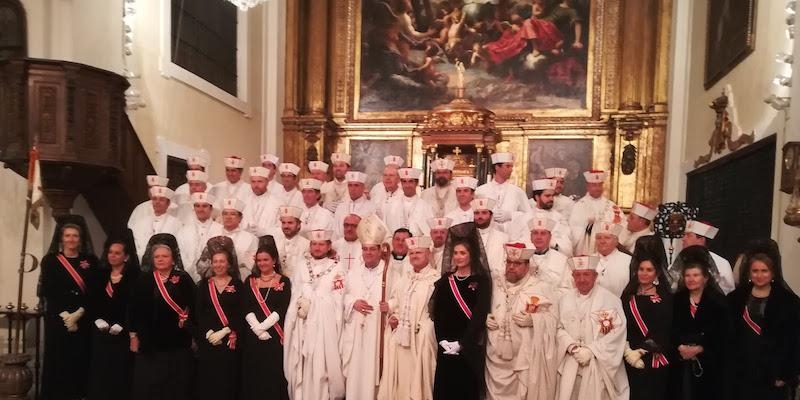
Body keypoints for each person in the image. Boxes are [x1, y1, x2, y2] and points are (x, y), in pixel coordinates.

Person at [485, 244, 559, 400]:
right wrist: (483, 318)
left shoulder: (541, 287)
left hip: (523, 359)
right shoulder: (494, 285)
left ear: (527, 265)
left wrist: (534, 319)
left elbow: (554, 320)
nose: (511, 267)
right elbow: (479, 308)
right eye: (509, 263)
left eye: (517, 264)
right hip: (494, 356)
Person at [430, 222, 493, 400]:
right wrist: (442, 340)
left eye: (463, 253)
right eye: (456, 253)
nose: (458, 257)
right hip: (446, 348)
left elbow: (480, 315)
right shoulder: (445, 281)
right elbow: (438, 315)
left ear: (472, 255)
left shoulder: (482, 281)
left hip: (469, 347)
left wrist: (462, 343)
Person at [129, 234, 196, 400]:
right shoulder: (143, 280)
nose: (160, 259)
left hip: (178, 340)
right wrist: (133, 335)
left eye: (165, 256)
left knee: (176, 383)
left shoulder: (183, 278)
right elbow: (134, 309)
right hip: (150, 340)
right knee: (151, 383)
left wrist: (192, 331)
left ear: (173, 259)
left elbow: (194, 306)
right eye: (157, 256)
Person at [728, 247, 800, 400]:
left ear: (772, 273)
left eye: (764, 271)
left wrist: (786, 373)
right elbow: (727, 336)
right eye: (755, 271)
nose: (759, 275)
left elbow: (794, 340)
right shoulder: (735, 299)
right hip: (741, 371)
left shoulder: (789, 302)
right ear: (749, 273)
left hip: (773, 374)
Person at [40, 215, 99, 400]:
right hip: (58, 319)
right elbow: (49, 290)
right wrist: (66, 315)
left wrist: (80, 313)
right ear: (61, 238)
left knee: (78, 359)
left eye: (75, 236)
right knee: (58, 359)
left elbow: (94, 290)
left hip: (83, 319)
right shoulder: (50, 261)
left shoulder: (90, 262)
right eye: (68, 235)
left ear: (80, 239)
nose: (71, 239)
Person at [283, 229, 346, 400]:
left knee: (321, 366)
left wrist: (315, 300)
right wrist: (301, 301)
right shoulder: (302, 265)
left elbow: (339, 296)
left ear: (328, 246)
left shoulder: (338, 267)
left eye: (321, 244)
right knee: (302, 366)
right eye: (314, 244)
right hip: (302, 324)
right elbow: (295, 291)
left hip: (324, 327)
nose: (317, 247)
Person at [555, 255, 629, 400]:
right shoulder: (564, 299)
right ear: (572, 277)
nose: (582, 279)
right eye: (578, 275)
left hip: (597, 361)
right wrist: (572, 347)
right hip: (571, 358)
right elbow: (558, 328)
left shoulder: (608, 300)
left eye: (586, 274)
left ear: (595, 276)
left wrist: (591, 350)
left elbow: (614, 334)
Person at [378, 235, 439, 400]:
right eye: (411, 253)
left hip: (421, 339)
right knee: (400, 378)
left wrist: (426, 327)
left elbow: (439, 312)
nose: (414, 256)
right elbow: (397, 301)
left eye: (418, 252)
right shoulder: (404, 278)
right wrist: (392, 312)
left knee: (417, 379)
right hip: (401, 338)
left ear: (428, 254)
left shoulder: (436, 280)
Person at [669, 246, 733, 400]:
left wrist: (700, 348)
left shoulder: (719, 302)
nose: (691, 279)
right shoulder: (676, 300)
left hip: (710, 363)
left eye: (696, 275)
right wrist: (680, 346)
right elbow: (670, 327)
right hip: (680, 361)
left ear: (706, 278)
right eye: (688, 275)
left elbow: (724, 333)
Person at [341, 214, 389, 400]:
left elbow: (396, 297)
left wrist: (389, 305)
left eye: (372, 249)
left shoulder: (388, 270)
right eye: (365, 249)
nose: (368, 253)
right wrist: (353, 303)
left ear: (379, 250)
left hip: (377, 331)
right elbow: (342, 297)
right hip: (356, 331)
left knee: (373, 374)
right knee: (356, 374)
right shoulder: (354, 271)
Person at [88, 231, 140, 400]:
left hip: (122, 334)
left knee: (120, 372)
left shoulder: (134, 278)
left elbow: (135, 306)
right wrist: (97, 319)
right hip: (101, 333)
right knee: (101, 370)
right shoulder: (100, 275)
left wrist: (124, 325)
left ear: (126, 257)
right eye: (110, 252)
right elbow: (92, 301)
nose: (112, 256)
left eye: (117, 253)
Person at [241, 237, 292, 400]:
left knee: (273, 375)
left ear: (274, 260)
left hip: (274, 336)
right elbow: (246, 306)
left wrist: (263, 327)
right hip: (253, 336)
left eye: (266, 260)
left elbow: (282, 308)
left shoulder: (284, 281)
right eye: (259, 260)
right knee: (255, 375)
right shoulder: (249, 281)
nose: (262, 263)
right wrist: (256, 328)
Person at [194, 236, 243, 400]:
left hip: (229, 340)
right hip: (209, 341)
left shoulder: (237, 284)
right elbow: (199, 312)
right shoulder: (203, 285)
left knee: (229, 381)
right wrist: (208, 333)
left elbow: (241, 311)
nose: (218, 265)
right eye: (215, 261)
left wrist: (225, 331)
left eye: (222, 261)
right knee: (209, 381)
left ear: (229, 264)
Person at [620, 251, 673, 400]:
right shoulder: (627, 295)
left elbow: (664, 327)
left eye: (649, 270)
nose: (644, 273)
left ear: (656, 274)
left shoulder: (665, 297)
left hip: (653, 355)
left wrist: (642, 351)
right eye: (641, 269)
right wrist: (627, 349)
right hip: (629, 355)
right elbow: (621, 324)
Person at [568, 170, 622, 256]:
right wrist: (587, 226)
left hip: (607, 252)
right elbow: (572, 229)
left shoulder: (611, 206)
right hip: (585, 249)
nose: (597, 188)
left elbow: (620, 226)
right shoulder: (579, 206)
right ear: (588, 187)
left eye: (600, 185)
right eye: (594, 185)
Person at [476, 152, 531, 234]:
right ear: (497, 167)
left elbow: (529, 215)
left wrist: (511, 215)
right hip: (486, 235)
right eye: (508, 166)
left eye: (511, 166)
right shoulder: (481, 190)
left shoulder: (517, 191)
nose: (511, 170)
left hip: (512, 236)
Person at [176, 192, 223, 282]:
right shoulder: (183, 231)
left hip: (213, 277)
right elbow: (181, 255)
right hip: (187, 276)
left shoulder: (220, 230)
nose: (200, 209)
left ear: (211, 208)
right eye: (197, 206)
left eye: (204, 206)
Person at [680, 220, 735, 294]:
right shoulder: (680, 260)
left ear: (701, 240)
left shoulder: (721, 263)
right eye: (684, 235)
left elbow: (729, 292)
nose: (683, 239)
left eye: (689, 235)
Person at [527, 213, 573, 299]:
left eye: (543, 233)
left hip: (552, 305)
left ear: (550, 237)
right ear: (530, 237)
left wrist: (547, 296)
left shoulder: (562, 260)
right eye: (535, 233)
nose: (539, 237)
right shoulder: (523, 258)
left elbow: (568, 289)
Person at [129, 185, 181, 260]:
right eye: (155, 199)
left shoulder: (176, 223)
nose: (157, 202)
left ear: (168, 203)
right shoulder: (140, 223)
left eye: (161, 199)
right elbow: (135, 244)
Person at [383, 167, 435, 237]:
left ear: (417, 183)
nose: (407, 185)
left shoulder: (425, 207)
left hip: (417, 246)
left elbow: (429, 233)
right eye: (404, 182)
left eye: (410, 181)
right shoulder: (391, 204)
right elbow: (386, 230)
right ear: (401, 183)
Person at [218, 198, 259, 280]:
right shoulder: (214, 235)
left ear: (240, 218)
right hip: (218, 277)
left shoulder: (251, 238)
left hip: (242, 278)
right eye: (225, 214)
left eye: (232, 214)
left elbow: (253, 264)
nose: (228, 217)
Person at [472, 197, 510, 276]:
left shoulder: (503, 238)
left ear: (491, 215)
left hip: (496, 281)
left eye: (484, 213)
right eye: (477, 213)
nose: (480, 216)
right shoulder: (466, 237)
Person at [241, 166, 283, 237]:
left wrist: (265, 232)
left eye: (260, 181)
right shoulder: (243, 201)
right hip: (246, 242)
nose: (256, 185)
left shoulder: (277, 203)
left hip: (268, 243)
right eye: (253, 182)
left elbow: (281, 228)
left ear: (267, 182)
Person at [333, 171, 376, 239]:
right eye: (350, 185)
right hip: (342, 245)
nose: (353, 189)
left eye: (356, 185)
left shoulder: (372, 207)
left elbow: (373, 231)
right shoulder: (340, 207)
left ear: (363, 187)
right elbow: (335, 231)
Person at [594, 220, 631, 297]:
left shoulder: (628, 261)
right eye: (598, 238)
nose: (602, 241)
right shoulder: (588, 260)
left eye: (607, 238)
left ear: (616, 241)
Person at [272, 205, 310, 280]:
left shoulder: (307, 245)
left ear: (299, 225)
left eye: (290, 223)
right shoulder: (275, 243)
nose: (286, 226)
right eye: (283, 223)